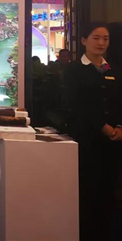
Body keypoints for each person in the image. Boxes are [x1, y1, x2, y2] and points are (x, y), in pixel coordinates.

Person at [64, 23, 122, 241]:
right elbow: (75, 104)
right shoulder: (74, 70)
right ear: (84, 41)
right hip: (86, 140)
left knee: (108, 193)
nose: (101, 43)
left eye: (105, 39)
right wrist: (102, 126)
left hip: (112, 142)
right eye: (96, 38)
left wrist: (119, 127)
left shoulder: (114, 70)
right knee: (87, 191)